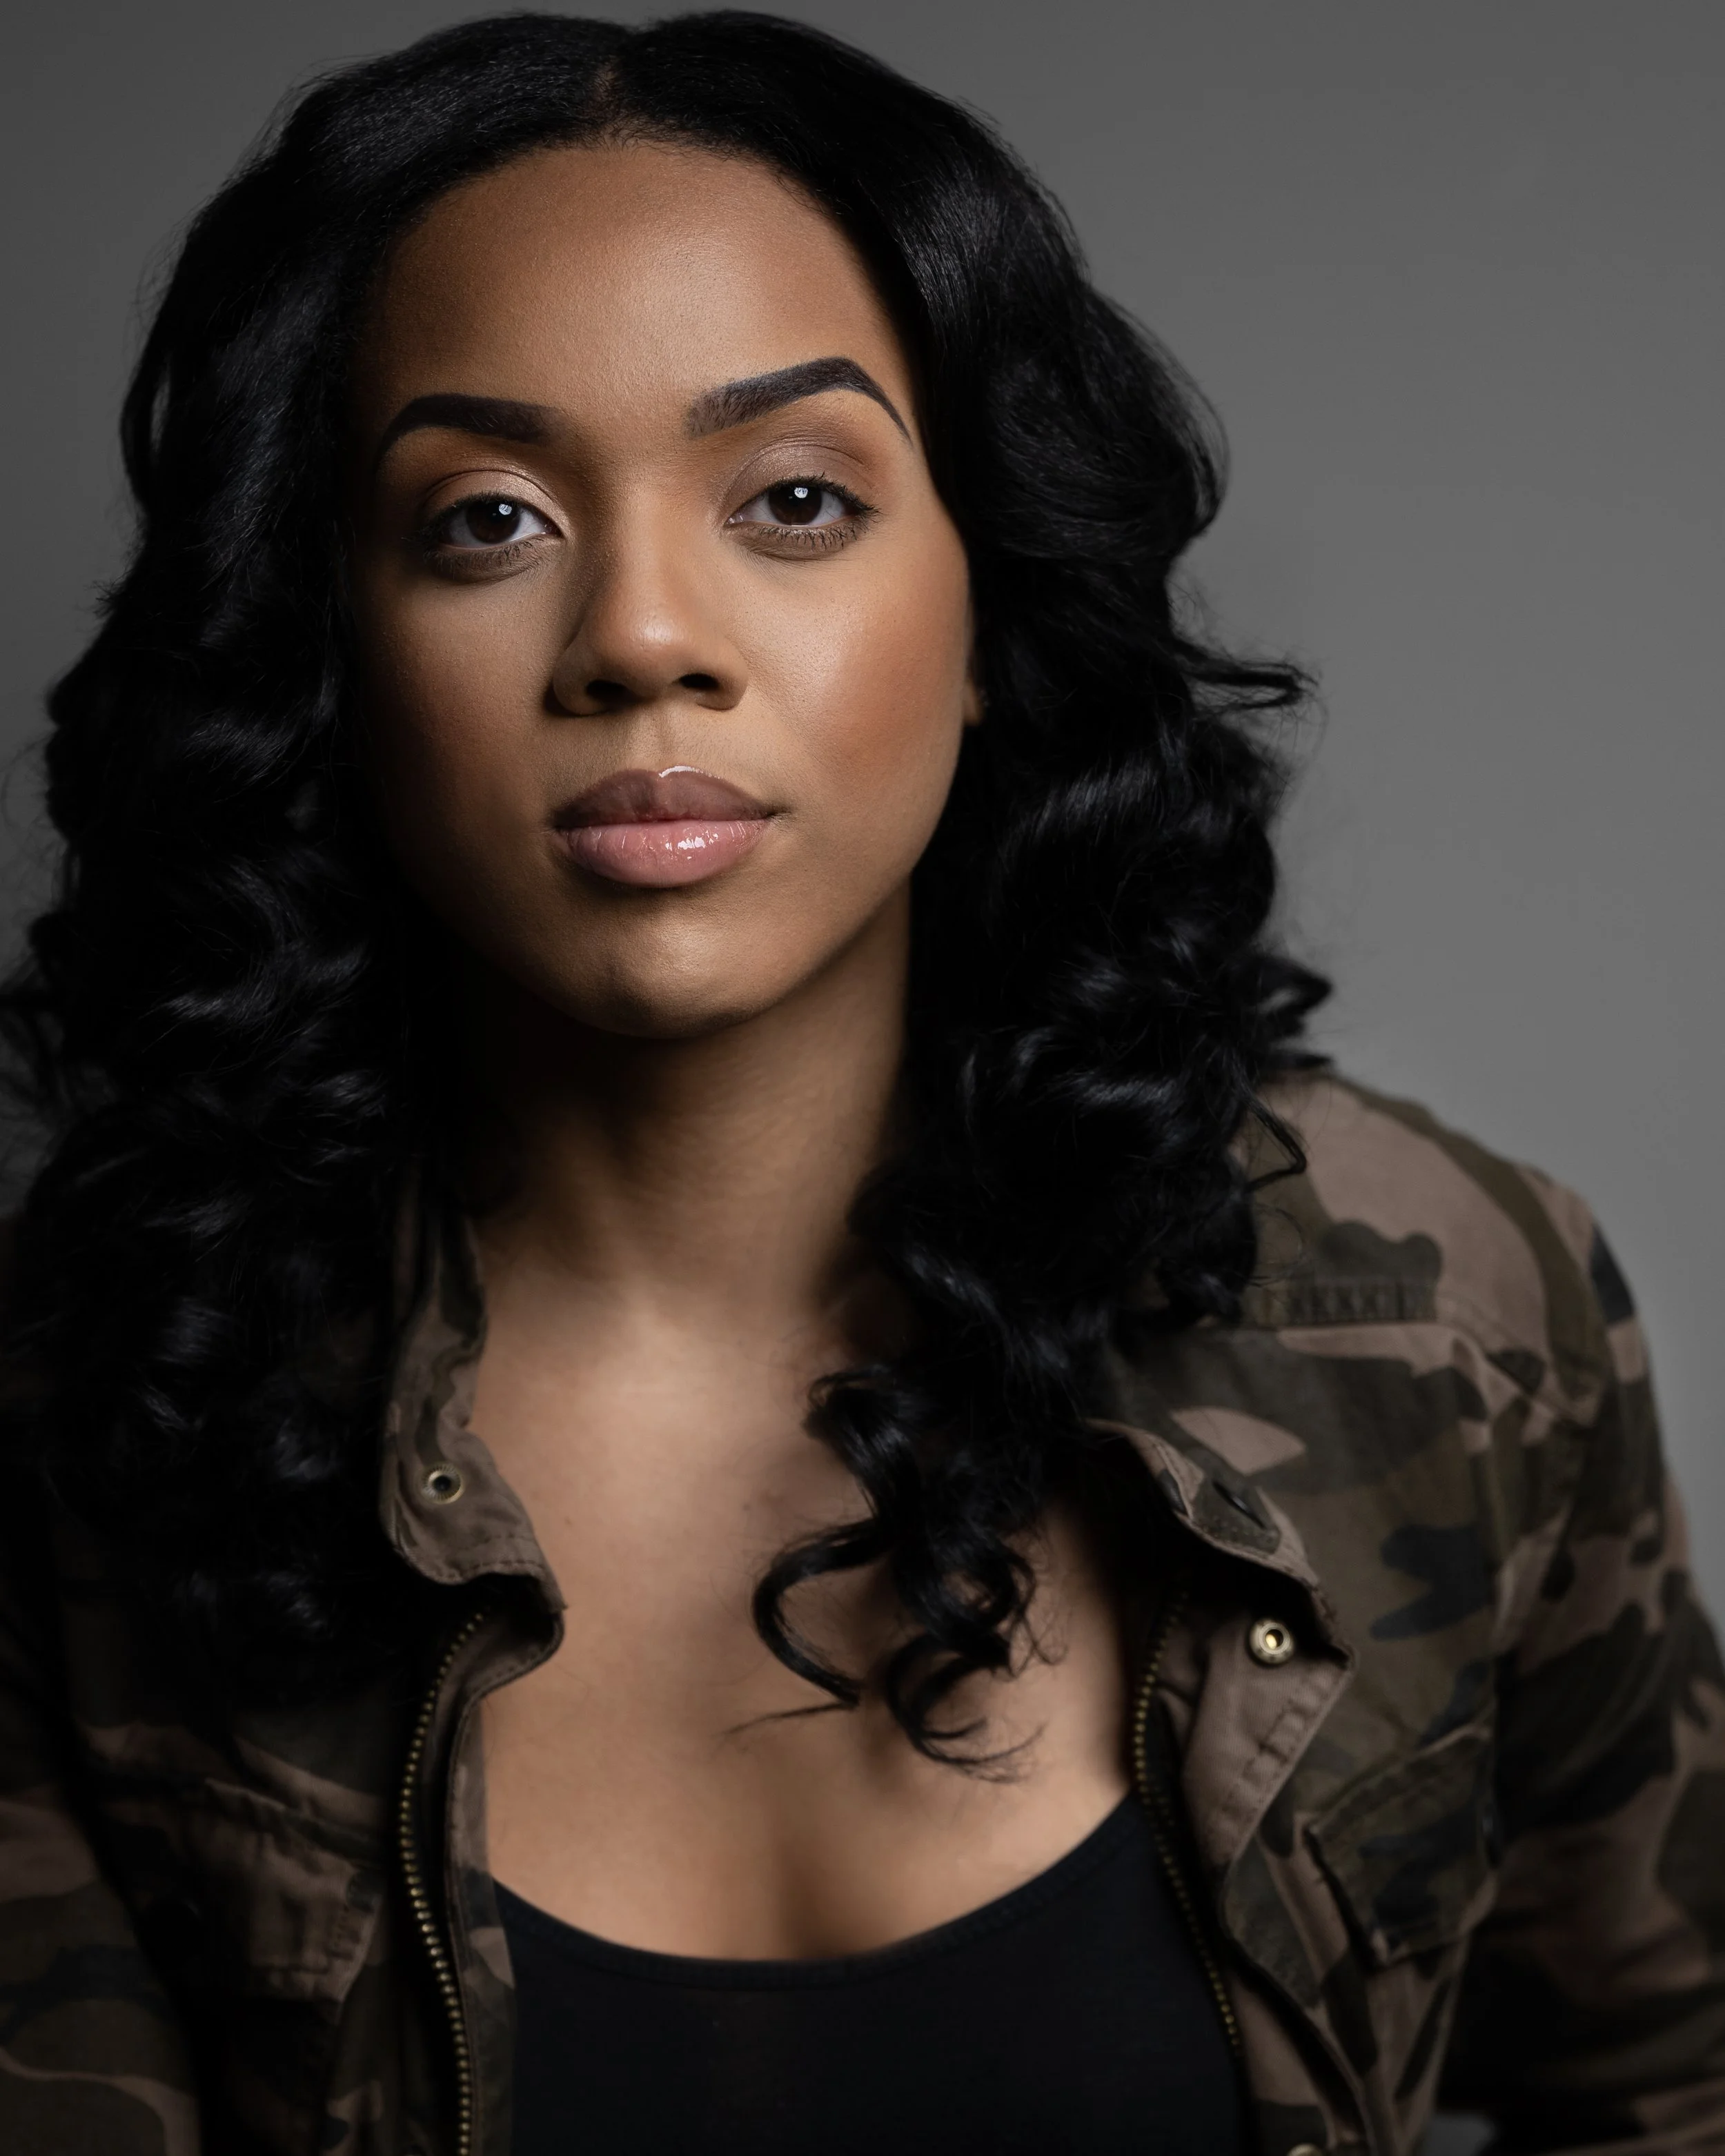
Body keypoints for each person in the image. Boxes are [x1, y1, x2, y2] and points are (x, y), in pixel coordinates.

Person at [1, 12, 1719, 2155]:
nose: (641, 633)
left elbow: (1672, 2091)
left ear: (988, 598)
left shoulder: (1453, 1316)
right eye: (487, 519)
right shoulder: (81, 1417)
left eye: (794, 498)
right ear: (325, 643)